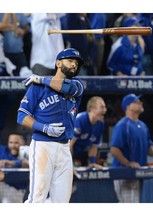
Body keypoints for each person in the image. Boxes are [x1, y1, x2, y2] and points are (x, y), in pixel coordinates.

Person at [16, 48, 84, 203]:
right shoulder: (37, 87)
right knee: (37, 197)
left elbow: (66, 88)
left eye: (76, 62)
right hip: (43, 145)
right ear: (58, 63)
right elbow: (22, 116)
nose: (74, 65)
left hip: (64, 148)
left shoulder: (77, 84)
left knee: (62, 202)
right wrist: (44, 127)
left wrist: (41, 79)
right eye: (70, 60)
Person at [110, 93, 153, 202]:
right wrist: (128, 163)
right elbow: (114, 149)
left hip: (138, 172)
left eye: (140, 101)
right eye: (136, 102)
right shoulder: (122, 125)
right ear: (128, 106)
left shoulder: (143, 125)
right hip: (124, 173)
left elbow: (148, 147)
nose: (140, 103)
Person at [70, 96, 107, 169]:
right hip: (68, 153)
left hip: (83, 155)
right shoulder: (80, 120)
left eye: (105, 107)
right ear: (91, 109)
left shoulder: (101, 124)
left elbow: (94, 146)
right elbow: (69, 145)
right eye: (102, 107)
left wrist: (92, 163)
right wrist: (70, 166)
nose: (105, 110)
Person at [0, 131, 29, 203]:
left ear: (23, 143)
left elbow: (28, 164)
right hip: (7, 189)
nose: (13, 145)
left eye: (16, 143)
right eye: (11, 142)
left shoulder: (28, 151)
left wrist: (13, 163)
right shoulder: (2, 150)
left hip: (26, 190)